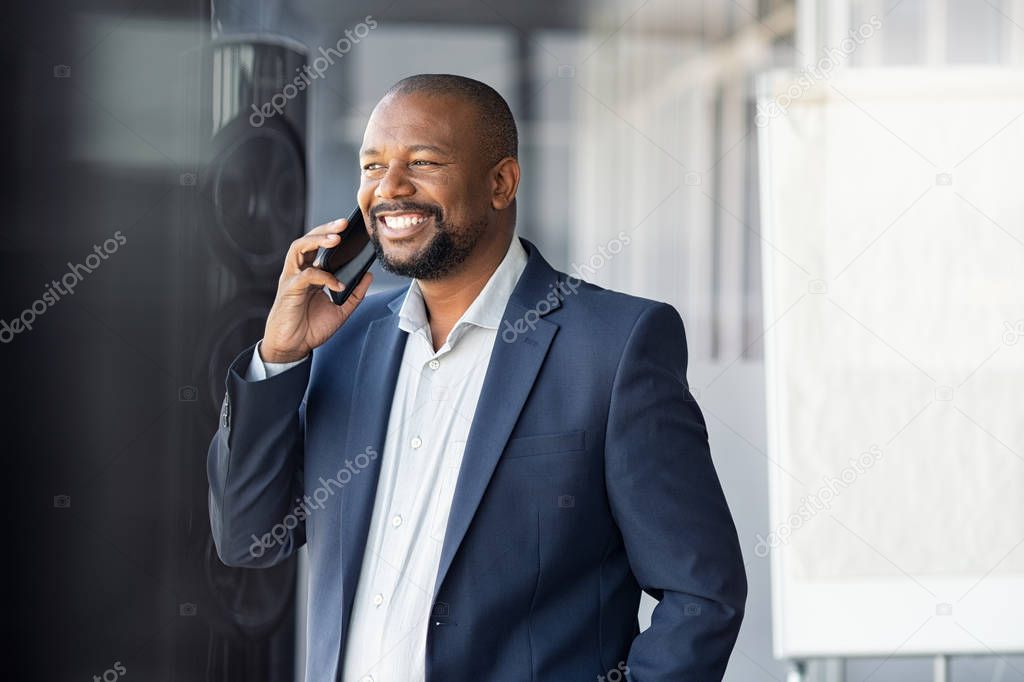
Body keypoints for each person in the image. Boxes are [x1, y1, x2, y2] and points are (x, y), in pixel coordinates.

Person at [207, 73, 746, 682]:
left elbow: (702, 594)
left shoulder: (614, 345)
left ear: (501, 182)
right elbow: (248, 538)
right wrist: (278, 356)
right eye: (372, 166)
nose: (390, 189)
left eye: (424, 162)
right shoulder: (340, 343)